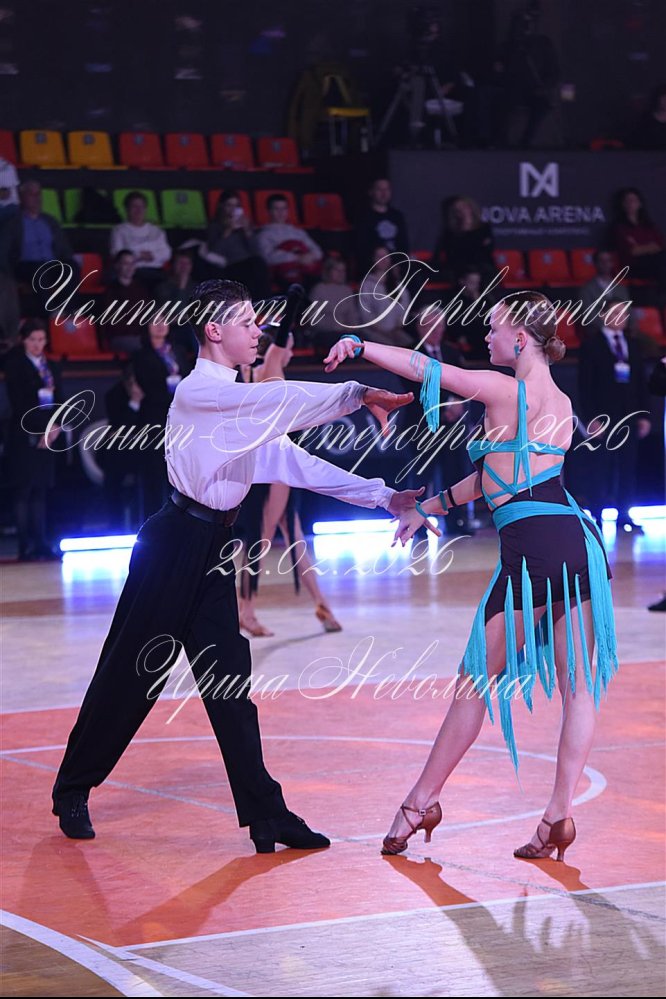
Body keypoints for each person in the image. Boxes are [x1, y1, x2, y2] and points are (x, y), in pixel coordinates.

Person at [50, 278, 422, 852]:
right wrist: (355, 392)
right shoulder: (203, 392)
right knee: (131, 674)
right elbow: (278, 402)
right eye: (247, 322)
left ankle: (266, 814)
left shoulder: (240, 403)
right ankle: (72, 789)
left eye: (257, 321)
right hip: (172, 546)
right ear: (214, 330)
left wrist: (385, 496)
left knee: (229, 688)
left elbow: (293, 463)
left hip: (213, 550)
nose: (257, 330)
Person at [324, 289, 620, 862]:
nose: (486, 336)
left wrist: (361, 345)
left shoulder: (505, 390)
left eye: (493, 327)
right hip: (577, 542)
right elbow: (500, 479)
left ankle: (420, 802)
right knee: (577, 688)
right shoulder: (559, 399)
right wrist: (426, 509)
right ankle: (558, 816)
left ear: (520, 338)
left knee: (474, 683)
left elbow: (428, 369)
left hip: (535, 550)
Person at [236, 332, 344, 637]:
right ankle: (246, 610)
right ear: (278, 348)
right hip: (273, 470)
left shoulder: (250, 373)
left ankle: (322, 604)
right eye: (290, 347)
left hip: (264, 466)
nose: (292, 353)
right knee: (262, 539)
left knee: (295, 539)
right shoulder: (270, 370)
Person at [577, 298, 651, 533]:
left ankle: (624, 515)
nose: (621, 317)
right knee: (601, 467)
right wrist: (591, 418)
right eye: (616, 312)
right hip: (603, 416)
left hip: (629, 415)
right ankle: (597, 515)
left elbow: (640, 382)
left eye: (624, 313)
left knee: (627, 468)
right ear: (603, 315)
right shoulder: (591, 345)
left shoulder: (633, 344)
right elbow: (585, 385)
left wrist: (644, 415)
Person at [4, 317, 63, 560]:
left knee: (41, 488)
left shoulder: (51, 366)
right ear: (23, 341)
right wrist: (44, 428)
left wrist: (56, 426)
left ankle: (41, 542)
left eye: (41, 339)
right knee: (24, 489)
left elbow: (61, 399)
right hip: (25, 433)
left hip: (49, 434)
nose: (37, 344)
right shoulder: (15, 365)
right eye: (32, 340)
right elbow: (20, 403)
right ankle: (25, 544)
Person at [131, 320, 192, 520]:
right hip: (154, 419)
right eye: (155, 322)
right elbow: (148, 386)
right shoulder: (140, 355)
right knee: (155, 474)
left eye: (164, 320)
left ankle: (178, 522)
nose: (160, 325)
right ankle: (153, 523)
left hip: (180, 419)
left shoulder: (177, 351)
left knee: (179, 476)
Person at [0, 180, 78, 312]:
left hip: (50, 265)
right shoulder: (12, 224)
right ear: (22, 197)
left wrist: (68, 259)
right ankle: (51, 312)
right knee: (39, 270)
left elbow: (64, 248)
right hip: (25, 266)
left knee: (71, 267)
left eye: (38, 194)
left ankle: (68, 311)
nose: (37, 198)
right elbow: (3, 251)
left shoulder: (50, 221)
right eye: (32, 194)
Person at [202, 190, 270, 297]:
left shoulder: (244, 225)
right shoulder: (215, 226)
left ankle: (264, 303)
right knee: (255, 268)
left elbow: (256, 250)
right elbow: (214, 253)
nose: (233, 209)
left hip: (250, 262)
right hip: (230, 266)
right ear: (221, 206)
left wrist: (247, 232)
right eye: (229, 205)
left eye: (236, 205)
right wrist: (228, 230)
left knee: (258, 264)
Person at [257, 193, 323, 290]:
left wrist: (310, 256)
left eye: (284, 208)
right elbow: (268, 257)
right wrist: (297, 258)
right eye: (276, 209)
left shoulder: (297, 232)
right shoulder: (264, 234)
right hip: (281, 276)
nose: (281, 212)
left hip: (305, 273)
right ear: (269, 211)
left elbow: (318, 251)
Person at [610, 187, 665, 294]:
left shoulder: (649, 226)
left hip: (655, 263)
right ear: (622, 205)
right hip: (632, 267)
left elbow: (660, 245)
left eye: (633, 200)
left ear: (640, 204)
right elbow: (631, 251)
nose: (630, 204)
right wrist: (650, 247)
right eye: (627, 201)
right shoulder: (619, 227)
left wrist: (642, 248)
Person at [110, 190, 171, 287]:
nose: (138, 210)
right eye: (134, 206)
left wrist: (151, 255)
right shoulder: (119, 230)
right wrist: (140, 255)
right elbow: (116, 253)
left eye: (141, 207)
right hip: (131, 273)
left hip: (156, 272)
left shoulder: (156, 231)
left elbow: (166, 253)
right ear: (127, 209)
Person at [432, 196, 495, 285]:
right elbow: (453, 254)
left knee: (480, 276)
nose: (463, 211)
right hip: (459, 268)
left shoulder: (484, 228)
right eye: (458, 210)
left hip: (481, 267)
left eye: (464, 207)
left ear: (471, 208)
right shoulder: (450, 233)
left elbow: (484, 252)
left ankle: (473, 291)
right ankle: (473, 292)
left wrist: (474, 271)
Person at [98, 250, 150, 354]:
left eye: (132, 263)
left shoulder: (141, 290)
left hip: (141, 336)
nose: (130, 267)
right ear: (117, 266)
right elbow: (112, 324)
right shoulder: (110, 292)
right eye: (126, 263)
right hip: (121, 338)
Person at [355, 178, 409, 277]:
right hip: (373, 266)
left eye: (387, 189)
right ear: (371, 192)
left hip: (396, 265)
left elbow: (403, 244)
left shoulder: (397, 216)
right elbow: (362, 247)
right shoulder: (364, 217)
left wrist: (398, 264)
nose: (384, 193)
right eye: (379, 189)